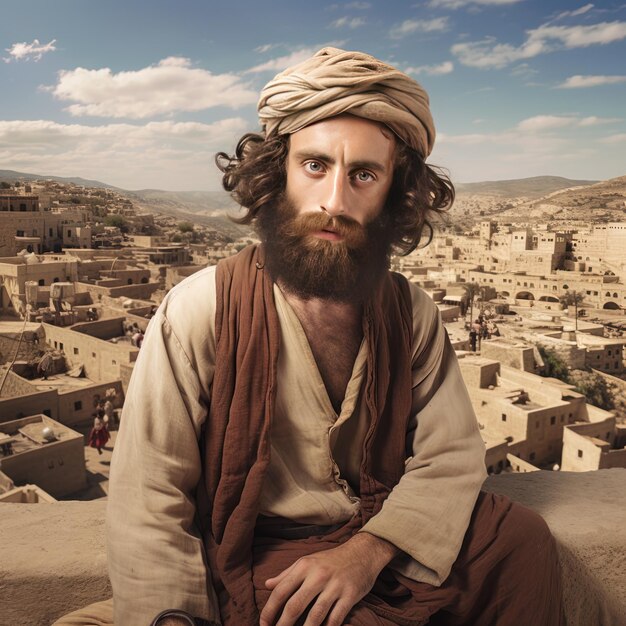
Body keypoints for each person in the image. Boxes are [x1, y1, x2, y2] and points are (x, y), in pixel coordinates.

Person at [55, 48, 563, 626]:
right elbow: (150, 497)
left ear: (395, 194)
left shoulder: (410, 313)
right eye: (315, 166)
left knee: (520, 539)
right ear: (277, 176)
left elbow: (450, 459)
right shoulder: (200, 311)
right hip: (260, 555)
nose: (334, 202)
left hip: (384, 538)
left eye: (364, 175)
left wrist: (364, 553)